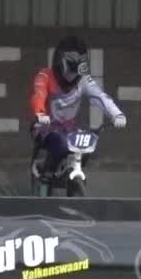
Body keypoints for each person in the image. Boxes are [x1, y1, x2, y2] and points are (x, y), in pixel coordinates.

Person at [29, 35, 126, 179]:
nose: (72, 76)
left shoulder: (84, 80)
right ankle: (45, 170)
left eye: (76, 71)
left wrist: (117, 114)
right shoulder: (45, 76)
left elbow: (100, 97)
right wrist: (40, 113)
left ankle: (69, 171)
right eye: (70, 69)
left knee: (86, 148)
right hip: (45, 126)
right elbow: (39, 94)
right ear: (60, 62)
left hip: (70, 128)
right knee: (61, 145)